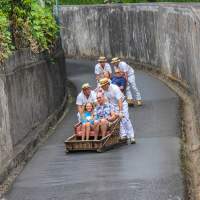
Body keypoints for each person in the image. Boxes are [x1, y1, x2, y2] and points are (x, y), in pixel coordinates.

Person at [99, 78, 136, 144]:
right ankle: (123, 136)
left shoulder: (115, 88)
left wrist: (120, 111)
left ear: (107, 84)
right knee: (117, 121)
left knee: (125, 119)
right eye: (101, 86)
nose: (102, 87)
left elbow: (119, 100)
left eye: (103, 85)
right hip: (113, 105)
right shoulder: (103, 90)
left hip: (122, 103)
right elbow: (107, 100)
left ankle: (132, 136)